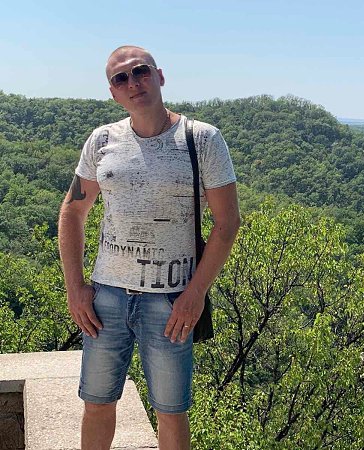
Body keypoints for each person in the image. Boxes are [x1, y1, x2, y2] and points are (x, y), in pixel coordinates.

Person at [58, 45, 240, 450]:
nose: (133, 83)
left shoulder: (201, 139)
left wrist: (195, 294)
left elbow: (227, 223)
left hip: (171, 301)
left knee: (171, 412)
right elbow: (72, 210)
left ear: (159, 76)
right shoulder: (102, 140)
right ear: (113, 93)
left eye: (140, 72)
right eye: (121, 78)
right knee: (96, 403)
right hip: (106, 298)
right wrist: (75, 288)